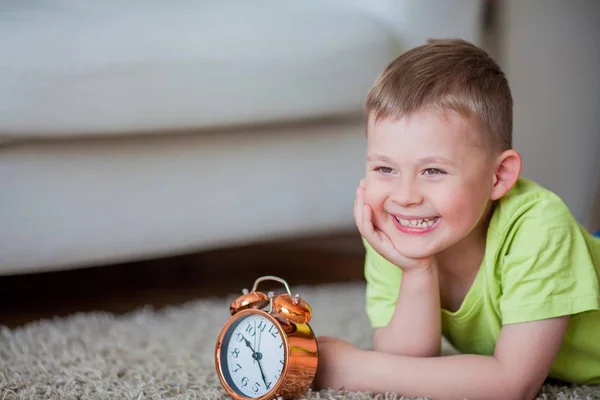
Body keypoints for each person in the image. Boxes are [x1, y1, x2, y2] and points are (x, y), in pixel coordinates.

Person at [313, 38, 600, 400]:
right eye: (385, 168)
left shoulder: (539, 224)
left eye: (432, 171)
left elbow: (514, 383)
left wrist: (353, 368)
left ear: (499, 177)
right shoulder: (394, 230)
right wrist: (416, 270)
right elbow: (408, 367)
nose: (404, 197)